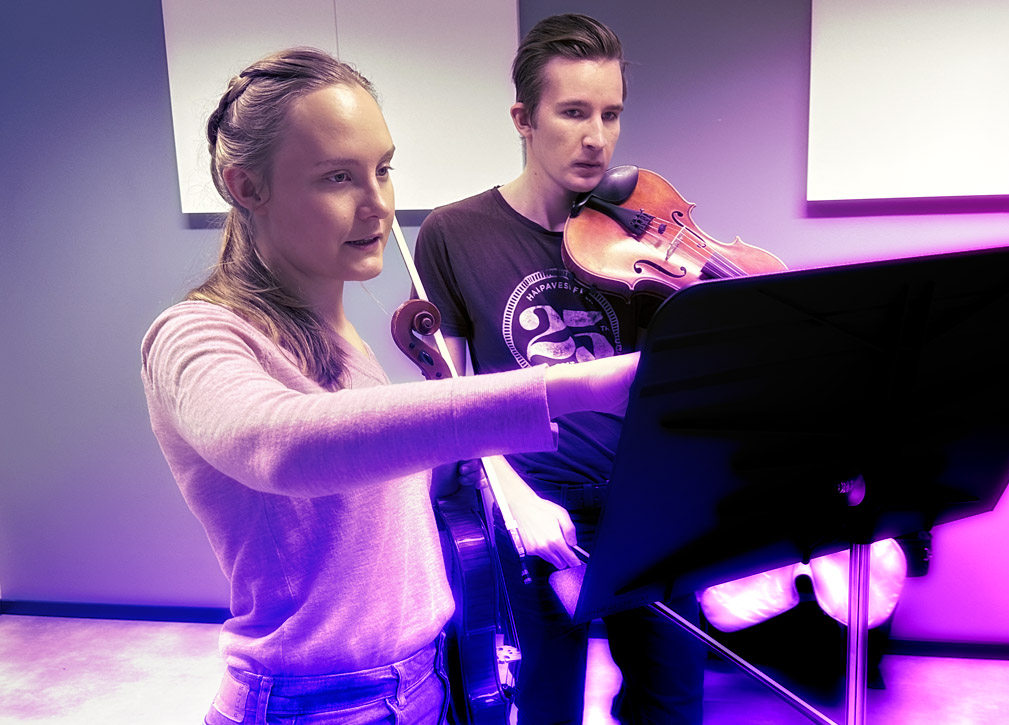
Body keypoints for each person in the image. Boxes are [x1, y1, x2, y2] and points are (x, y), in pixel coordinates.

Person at [139, 47, 639, 725]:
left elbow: (374, 519)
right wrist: (573, 388)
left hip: (426, 681)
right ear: (246, 185)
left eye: (383, 169)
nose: (377, 203)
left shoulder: (345, 339)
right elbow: (280, 446)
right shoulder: (193, 335)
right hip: (316, 703)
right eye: (338, 176)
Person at [414, 15, 706, 724]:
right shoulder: (454, 233)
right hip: (535, 497)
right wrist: (513, 496)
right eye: (573, 112)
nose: (597, 137)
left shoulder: (638, 230)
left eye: (611, 114)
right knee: (546, 704)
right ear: (524, 119)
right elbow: (454, 397)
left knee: (674, 703)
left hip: (644, 498)